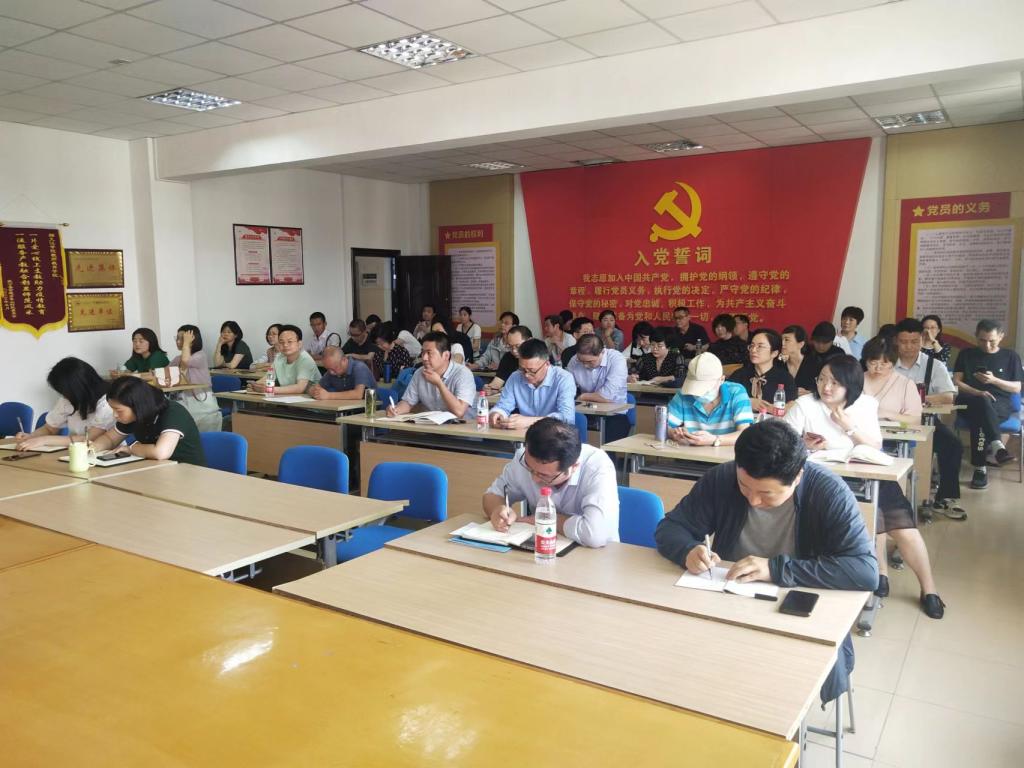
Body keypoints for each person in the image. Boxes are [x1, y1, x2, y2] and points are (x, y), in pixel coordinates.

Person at [654, 419, 876, 704]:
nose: (753, 501)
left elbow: (864, 571)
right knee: (680, 662)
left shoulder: (828, 493)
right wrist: (688, 549)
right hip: (728, 601)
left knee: (773, 690)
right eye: (745, 487)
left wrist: (774, 569)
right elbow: (671, 527)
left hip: (793, 611)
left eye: (766, 494)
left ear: (797, 477)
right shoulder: (723, 478)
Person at [785, 356, 945, 618]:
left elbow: (875, 446)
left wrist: (848, 427)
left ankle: (929, 590)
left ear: (850, 385)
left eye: (834, 382)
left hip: (868, 473)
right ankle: (878, 574)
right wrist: (803, 444)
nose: (826, 387)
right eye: (822, 379)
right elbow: (783, 440)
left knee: (903, 528)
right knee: (865, 521)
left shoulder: (865, 404)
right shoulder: (805, 404)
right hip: (823, 478)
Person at [483, 418, 619, 548]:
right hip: (542, 548)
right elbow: (492, 495)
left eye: (544, 475)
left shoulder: (597, 466)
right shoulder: (525, 458)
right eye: (530, 469)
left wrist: (547, 520)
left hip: (595, 554)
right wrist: (497, 510)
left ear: (574, 467)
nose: (534, 479)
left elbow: (595, 535)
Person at [894, 318, 965, 518]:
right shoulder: (886, 363)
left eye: (914, 342)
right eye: (904, 342)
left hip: (925, 421)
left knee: (953, 445)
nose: (909, 347)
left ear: (921, 340)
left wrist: (919, 398)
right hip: (891, 421)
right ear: (896, 341)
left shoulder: (933, 365)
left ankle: (945, 497)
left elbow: (949, 396)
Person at [953, 319, 1023, 489]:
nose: (987, 345)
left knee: (981, 416)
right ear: (976, 336)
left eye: (992, 341)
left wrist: (994, 380)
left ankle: (980, 469)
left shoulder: (1010, 356)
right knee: (982, 403)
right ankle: (998, 446)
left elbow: (1016, 388)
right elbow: (956, 382)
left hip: (999, 404)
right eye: (982, 340)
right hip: (968, 399)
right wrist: (977, 392)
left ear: (1001, 337)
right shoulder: (966, 354)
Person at [92, 376, 205, 466]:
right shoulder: (134, 415)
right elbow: (110, 439)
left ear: (137, 406)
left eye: (118, 410)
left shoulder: (173, 412)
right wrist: (91, 449)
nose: (115, 415)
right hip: (156, 469)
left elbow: (161, 452)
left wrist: (131, 449)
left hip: (187, 472)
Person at [15, 357, 115, 449]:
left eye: (66, 391)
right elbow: (49, 429)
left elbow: (89, 438)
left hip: (101, 454)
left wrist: (43, 440)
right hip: (74, 453)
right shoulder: (67, 400)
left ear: (78, 387)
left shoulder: (107, 402)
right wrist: (31, 437)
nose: (64, 396)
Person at [666, 352, 753, 446]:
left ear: (721, 380)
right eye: (695, 388)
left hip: (727, 453)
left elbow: (745, 434)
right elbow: (663, 426)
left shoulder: (736, 392)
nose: (699, 393)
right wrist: (673, 433)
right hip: (690, 453)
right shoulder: (684, 394)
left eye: (705, 389)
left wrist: (714, 440)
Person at [387, 332, 476, 419]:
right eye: (423, 353)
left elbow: (459, 412)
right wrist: (396, 410)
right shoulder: (420, 373)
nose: (424, 358)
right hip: (432, 425)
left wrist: (439, 384)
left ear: (446, 355)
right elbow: (408, 403)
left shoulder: (463, 374)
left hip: (463, 426)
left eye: (429, 353)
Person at [491, 338, 576, 428]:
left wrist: (529, 421)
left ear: (547, 364)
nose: (526, 375)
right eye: (522, 369)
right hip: (522, 433)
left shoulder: (563, 378)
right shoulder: (515, 377)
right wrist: (497, 413)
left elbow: (567, 417)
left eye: (532, 371)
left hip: (554, 433)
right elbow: (503, 406)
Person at [568, 333, 630, 442]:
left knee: (606, 445)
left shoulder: (616, 359)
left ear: (602, 352)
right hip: (585, 411)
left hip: (614, 414)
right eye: (582, 361)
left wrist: (582, 396)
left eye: (590, 362)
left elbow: (607, 396)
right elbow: (565, 389)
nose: (585, 365)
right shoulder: (575, 360)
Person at [727, 328, 797, 413]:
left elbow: (792, 404)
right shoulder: (739, 375)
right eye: (752, 346)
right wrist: (746, 402)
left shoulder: (785, 378)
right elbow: (724, 400)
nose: (753, 350)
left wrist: (776, 409)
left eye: (760, 346)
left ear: (774, 353)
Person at [170, 324, 222, 432]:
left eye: (182, 338)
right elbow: (165, 372)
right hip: (185, 401)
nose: (178, 341)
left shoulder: (200, 355)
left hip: (203, 404)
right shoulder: (178, 358)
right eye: (177, 338)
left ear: (192, 340)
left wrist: (186, 344)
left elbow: (186, 361)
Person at [249, 324, 321, 395]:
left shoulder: (305, 359)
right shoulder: (279, 357)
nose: (285, 345)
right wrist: (255, 385)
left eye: (289, 341)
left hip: (313, 399)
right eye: (281, 342)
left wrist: (269, 389)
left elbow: (300, 388)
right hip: (288, 398)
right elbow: (268, 379)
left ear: (299, 344)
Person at [309, 347, 376, 401]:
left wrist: (329, 395)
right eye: (328, 369)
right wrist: (315, 392)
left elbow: (358, 394)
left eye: (335, 368)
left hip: (369, 410)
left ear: (344, 360)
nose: (331, 372)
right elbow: (315, 388)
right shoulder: (331, 371)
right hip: (346, 409)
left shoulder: (359, 367)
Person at [486, 325, 532, 394]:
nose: (514, 351)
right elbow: (497, 383)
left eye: (518, 346)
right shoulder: (508, 357)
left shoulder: (539, 358)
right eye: (510, 346)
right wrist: (490, 389)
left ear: (530, 341)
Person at [781, 324, 816, 395]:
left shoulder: (814, 364)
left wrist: (810, 393)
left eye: (787, 340)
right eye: (781, 339)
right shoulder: (779, 364)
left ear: (801, 344)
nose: (782, 343)